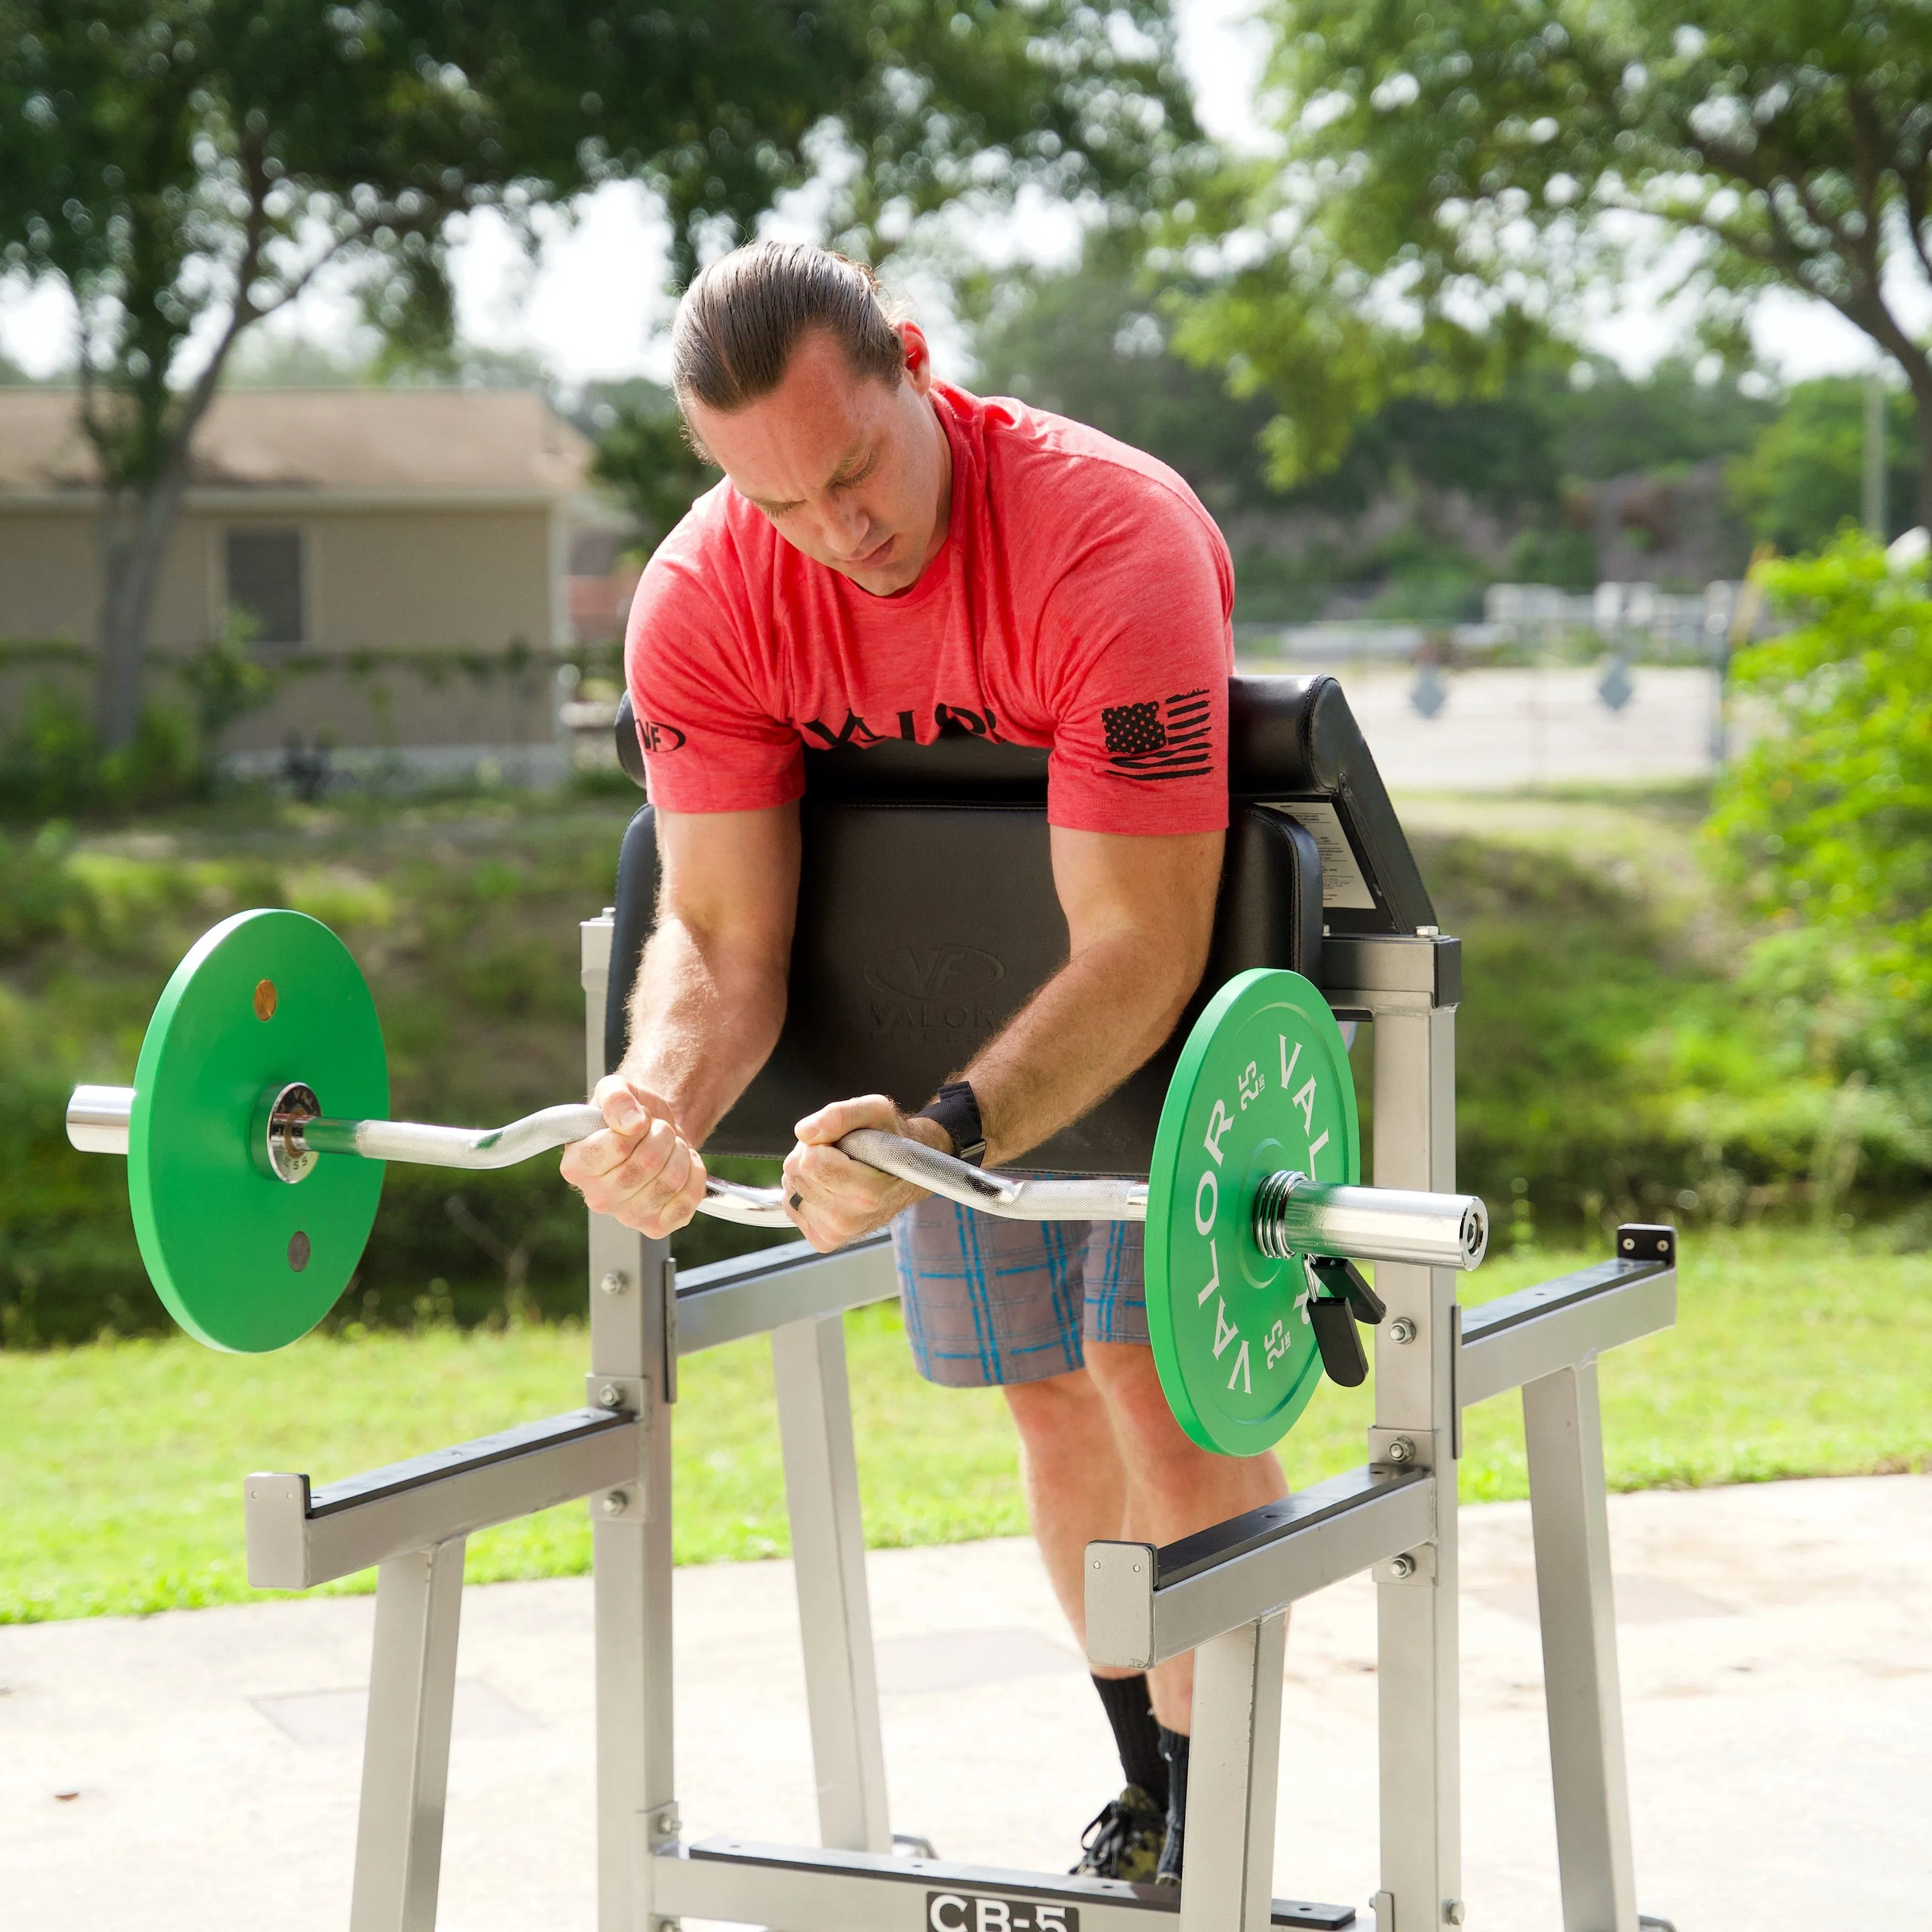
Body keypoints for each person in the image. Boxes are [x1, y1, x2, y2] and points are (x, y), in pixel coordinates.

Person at [560, 240, 1287, 1885]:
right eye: (781, 504)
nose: (838, 534)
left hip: (1151, 1018)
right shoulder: (702, 594)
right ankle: (1152, 1802)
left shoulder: (1110, 534)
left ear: (910, 359)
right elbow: (722, 939)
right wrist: (658, 1096)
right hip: (928, 1041)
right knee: (1049, 1402)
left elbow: (1142, 946)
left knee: (1158, 1387)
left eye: (854, 471)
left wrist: (943, 1133)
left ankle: (1219, 1830)